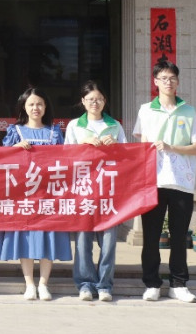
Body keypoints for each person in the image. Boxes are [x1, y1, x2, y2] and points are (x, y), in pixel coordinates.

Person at [134, 59, 196, 304]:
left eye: (172, 78)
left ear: (178, 81)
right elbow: (141, 146)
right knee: (151, 236)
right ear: (155, 82)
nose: (168, 82)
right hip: (152, 182)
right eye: (163, 78)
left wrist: (171, 147)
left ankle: (179, 284)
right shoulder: (145, 110)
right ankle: (152, 283)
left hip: (181, 182)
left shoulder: (189, 111)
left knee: (179, 236)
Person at [0, 86, 72, 301]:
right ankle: (29, 283)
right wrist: (15, 148)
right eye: (31, 104)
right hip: (23, 195)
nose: (35, 108)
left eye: (39, 104)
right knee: (25, 237)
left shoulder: (54, 132)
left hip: (49, 194)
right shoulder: (15, 131)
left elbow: (65, 161)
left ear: (45, 107)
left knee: (48, 236)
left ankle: (44, 284)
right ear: (23, 107)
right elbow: (2, 161)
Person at [64, 80, 126, 302]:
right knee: (83, 241)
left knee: (109, 242)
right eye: (90, 99)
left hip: (108, 192)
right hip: (84, 191)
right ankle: (85, 284)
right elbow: (65, 157)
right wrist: (83, 145)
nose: (95, 103)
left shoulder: (115, 126)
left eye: (99, 99)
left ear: (105, 101)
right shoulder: (75, 126)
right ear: (83, 101)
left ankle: (105, 285)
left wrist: (116, 145)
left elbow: (128, 157)